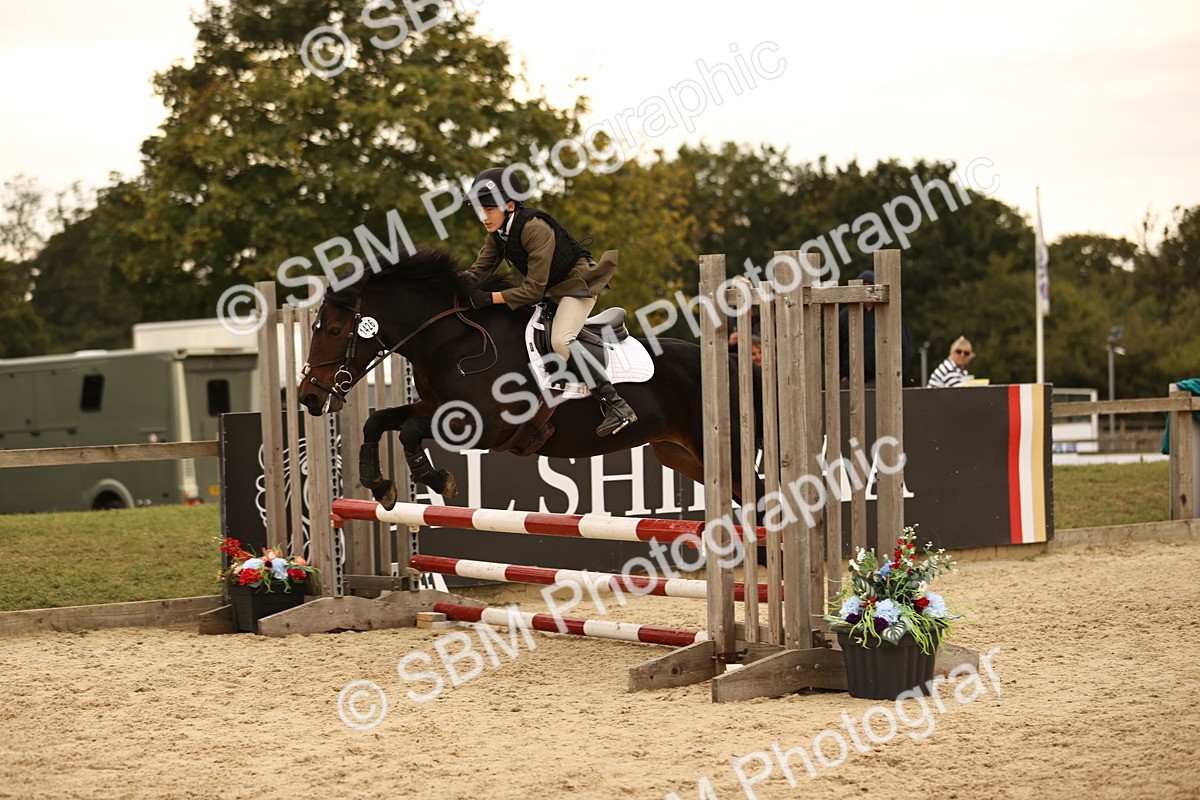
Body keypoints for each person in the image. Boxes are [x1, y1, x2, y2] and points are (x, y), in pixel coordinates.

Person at [463, 167, 637, 437]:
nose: (484, 217)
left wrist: (488, 298)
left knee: (561, 340)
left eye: (489, 209)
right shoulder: (498, 234)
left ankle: (616, 405)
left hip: (577, 286)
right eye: (479, 210)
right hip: (550, 290)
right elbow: (477, 272)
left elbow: (532, 291)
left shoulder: (535, 229)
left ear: (509, 206)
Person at [837, 270, 913, 386]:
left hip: (883, 379)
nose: (867, 291)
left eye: (870, 287)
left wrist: (896, 373)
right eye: (864, 287)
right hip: (851, 380)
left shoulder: (888, 315)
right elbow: (836, 347)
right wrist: (841, 374)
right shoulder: (845, 316)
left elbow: (903, 347)